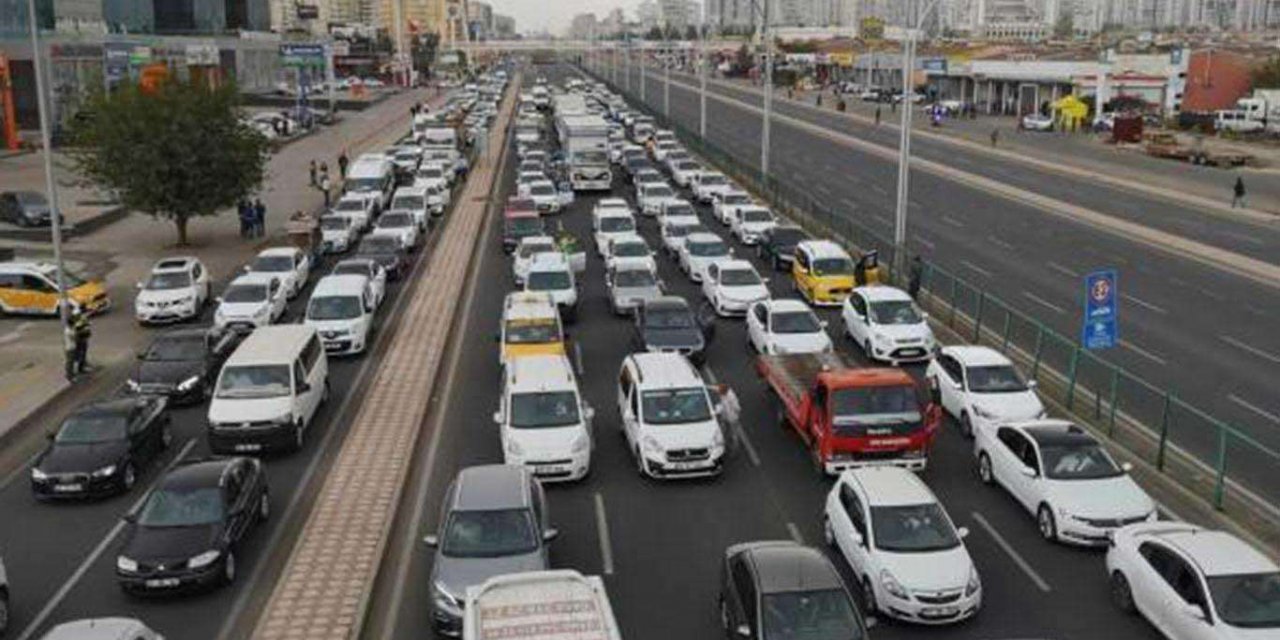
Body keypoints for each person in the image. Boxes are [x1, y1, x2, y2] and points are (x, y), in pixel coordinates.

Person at [64, 306, 91, 380]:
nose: (78, 316)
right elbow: (75, 335)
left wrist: (86, 329)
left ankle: (81, 368)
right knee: (72, 360)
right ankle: (71, 375)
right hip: (75, 344)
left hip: (82, 340)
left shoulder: (82, 319)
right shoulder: (70, 329)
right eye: (76, 315)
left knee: (82, 355)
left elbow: (86, 325)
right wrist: (81, 331)